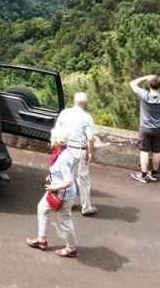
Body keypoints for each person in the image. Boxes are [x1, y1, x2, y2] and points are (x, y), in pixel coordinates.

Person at [26, 127, 78, 258]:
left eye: (53, 138)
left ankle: (71, 249)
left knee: (64, 220)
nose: (51, 140)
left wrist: (54, 188)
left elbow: (68, 181)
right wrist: (51, 177)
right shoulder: (63, 152)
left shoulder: (63, 158)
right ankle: (41, 239)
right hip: (57, 190)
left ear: (58, 141)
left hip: (62, 193)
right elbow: (61, 172)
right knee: (42, 208)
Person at [54, 92, 97, 215]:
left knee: (68, 177)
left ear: (74, 100)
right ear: (85, 103)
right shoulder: (87, 117)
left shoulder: (64, 113)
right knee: (82, 179)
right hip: (79, 150)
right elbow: (90, 138)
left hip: (66, 149)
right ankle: (86, 207)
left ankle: (68, 203)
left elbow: (57, 131)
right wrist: (91, 153)